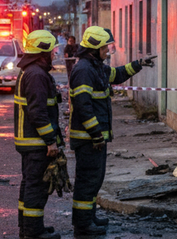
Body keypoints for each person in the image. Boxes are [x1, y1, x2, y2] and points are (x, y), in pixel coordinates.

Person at [69, 26, 154, 237]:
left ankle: (89, 217)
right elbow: (83, 106)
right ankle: (83, 225)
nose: (108, 50)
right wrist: (96, 134)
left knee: (95, 179)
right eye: (106, 47)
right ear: (94, 48)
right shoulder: (84, 70)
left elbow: (117, 75)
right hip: (88, 138)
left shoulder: (96, 66)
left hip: (95, 138)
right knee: (87, 181)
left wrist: (138, 64)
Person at [14, 30, 63, 239]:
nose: (55, 53)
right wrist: (51, 141)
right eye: (53, 49)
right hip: (36, 143)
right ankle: (34, 233)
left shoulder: (31, 71)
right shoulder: (36, 75)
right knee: (36, 188)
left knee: (29, 186)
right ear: (44, 50)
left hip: (30, 142)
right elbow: (38, 112)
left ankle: (28, 228)